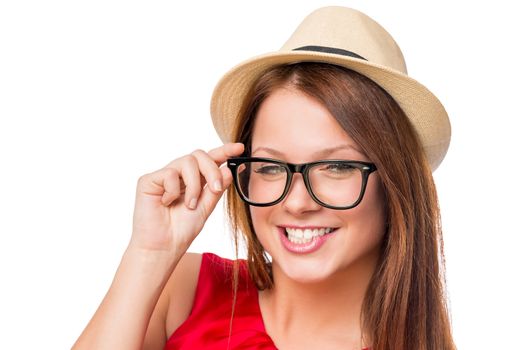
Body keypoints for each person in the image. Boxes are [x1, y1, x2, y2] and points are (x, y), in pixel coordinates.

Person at [73, 6, 456, 350]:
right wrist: (148, 255)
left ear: (395, 186)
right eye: (272, 168)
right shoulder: (184, 291)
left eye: (337, 167)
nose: (297, 202)